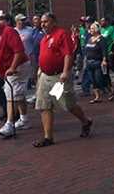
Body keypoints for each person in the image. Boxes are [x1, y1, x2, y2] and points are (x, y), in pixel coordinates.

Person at [32, 13, 92, 147]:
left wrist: (65, 72)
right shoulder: (44, 38)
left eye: (46, 22)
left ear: (54, 22)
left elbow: (67, 54)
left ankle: (85, 121)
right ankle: (48, 137)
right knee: (44, 106)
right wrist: (40, 69)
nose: (43, 24)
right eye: (42, 22)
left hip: (58, 76)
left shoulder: (61, 34)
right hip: (44, 76)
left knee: (67, 104)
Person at [85, 22, 109, 103]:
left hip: (97, 62)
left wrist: (104, 60)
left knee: (99, 79)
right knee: (93, 80)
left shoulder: (101, 39)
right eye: (90, 28)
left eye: (92, 28)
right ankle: (97, 97)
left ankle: (110, 90)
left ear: (96, 29)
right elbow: (86, 50)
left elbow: (104, 51)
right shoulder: (89, 39)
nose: (90, 30)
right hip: (89, 62)